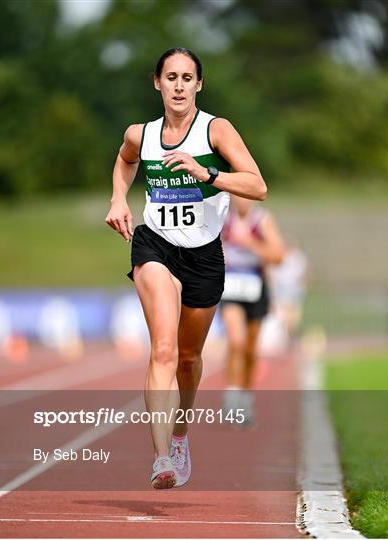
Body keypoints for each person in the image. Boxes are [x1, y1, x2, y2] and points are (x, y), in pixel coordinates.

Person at [105, 47, 267, 489]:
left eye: (187, 78)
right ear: (156, 82)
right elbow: (125, 161)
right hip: (155, 244)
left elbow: (257, 186)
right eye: (170, 77)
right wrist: (119, 198)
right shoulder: (142, 134)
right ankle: (162, 460)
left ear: (199, 84)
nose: (178, 85)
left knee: (189, 357)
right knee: (162, 349)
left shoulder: (216, 130)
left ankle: (179, 436)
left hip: (204, 256)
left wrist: (205, 173)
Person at [220, 195, 285, 426]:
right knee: (236, 341)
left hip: (256, 288)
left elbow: (279, 256)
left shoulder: (262, 220)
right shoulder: (223, 219)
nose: (241, 200)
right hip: (231, 289)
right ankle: (232, 396)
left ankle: (246, 398)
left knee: (250, 348)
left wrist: (250, 243)